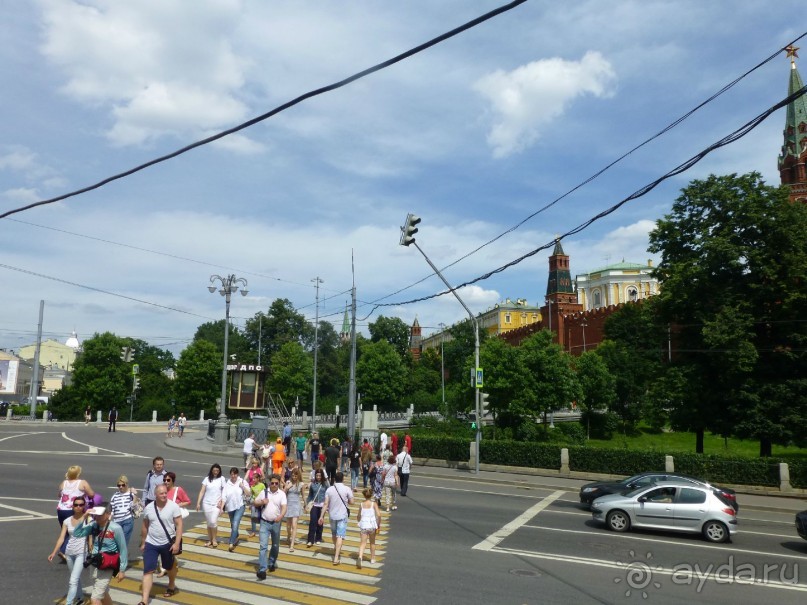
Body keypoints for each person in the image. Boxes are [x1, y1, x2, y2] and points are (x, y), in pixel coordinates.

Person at [73, 502, 128, 605]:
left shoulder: (115, 528)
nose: (97, 517)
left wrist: (122, 570)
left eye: (100, 514)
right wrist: (84, 517)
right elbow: (77, 533)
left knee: (95, 598)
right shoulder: (93, 525)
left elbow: (123, 549)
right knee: (103, 593)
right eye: (95, 514)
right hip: (95, 563)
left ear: (108, 514)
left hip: (107, 565)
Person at [139, 484, 182, 604]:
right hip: (151, 543)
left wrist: (177, 543)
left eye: (165, 493)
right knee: (148, 570)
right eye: (161, 493)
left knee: (169, 567)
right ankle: (144, 600)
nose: (164, 495)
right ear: (155, 495)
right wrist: (143, 542)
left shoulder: (173, 506)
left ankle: (171, 584)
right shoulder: (149, 508)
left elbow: (179, 525)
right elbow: (145, 526)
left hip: (167, 544)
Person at [48, 495, 90, 605]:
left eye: (81, 505)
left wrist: (91, 549)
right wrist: (54, 552)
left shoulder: (88, 519)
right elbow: (61, 538)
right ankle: (80, 597)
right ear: (73, 506)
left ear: (84, 506)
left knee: (73, 580)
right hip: (69, 553)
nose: (78, 507)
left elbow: (90, 536)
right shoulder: (67, 521)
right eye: (76, 505)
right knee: (74, 578)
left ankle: (69, 602)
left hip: (82, 552)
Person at [57, 465, 95, 559]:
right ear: (78, 474)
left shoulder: (64, 483)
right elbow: (91, 494)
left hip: (61, 510)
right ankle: (63, 551)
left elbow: (59, 495)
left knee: (65, 530)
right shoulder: (82, 483)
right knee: (74, 531)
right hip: (73, 510)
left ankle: (66, 550)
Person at [253, 473, 287, 579]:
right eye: (272, 483)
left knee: (275, 545)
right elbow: (254, 502)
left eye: (276, 483)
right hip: (264, 522)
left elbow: (284, 507)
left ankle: (271, 562)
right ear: (270, 483)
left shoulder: (281, 494)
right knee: (263, 546)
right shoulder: (264, 492)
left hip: (276, 523)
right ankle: (262, 570)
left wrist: (281, 516)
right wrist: (262, 502)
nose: (274, 485)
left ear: (278, 484)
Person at [318, 471, 354, 565]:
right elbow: (352, 502)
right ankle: (336, 557)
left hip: (332, 515)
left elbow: (325, 504)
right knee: (340, 536)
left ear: (334, 479)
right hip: (342, 516)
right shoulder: (346, 489)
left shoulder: (329, 489)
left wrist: (321, 516)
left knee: (334, 534)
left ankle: (335, 547)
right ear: (342, 479)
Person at [196, 463, 226, 548]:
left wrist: (222, 502)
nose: (216, 472)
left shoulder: (222, 479)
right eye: (214, 470)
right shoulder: (206, 479)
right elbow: (202, 491)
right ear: (211, 471)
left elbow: (224, 491)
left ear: (219, 471)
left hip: (216, 504)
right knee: (209, 523)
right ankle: (210, 540)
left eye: (217, 470)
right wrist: (198, 503)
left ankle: (214, 539)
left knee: (213, 521)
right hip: (206, 503)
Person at [224, 467, 251, 552]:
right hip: (230, 507)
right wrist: (222, 506)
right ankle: (236, 535)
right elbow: (224, 495)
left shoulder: (242, 481)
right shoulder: (227, 483)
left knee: (235, 523)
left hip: (240, 506)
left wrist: (242, 486)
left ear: (237, 474)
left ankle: (231, 543)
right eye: (232, 474)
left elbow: (249, 493)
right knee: (233, 524)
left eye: (235, 474)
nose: (233, 476)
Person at [110, 475, 140, 546]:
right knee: (116, 541)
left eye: (123, 485)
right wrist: (109, 520)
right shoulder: (115, 496)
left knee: (123, 541)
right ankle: (118, 555)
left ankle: (122, 555)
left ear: (126, 485)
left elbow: (134, 507)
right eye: (119, 485)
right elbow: (112, 509)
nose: (121, 487)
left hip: (127, 520)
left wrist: (135, 494)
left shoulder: (131, 494)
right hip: (117, 521)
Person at [356, 487, 381, 568]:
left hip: (364, 526)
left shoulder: (361, 504)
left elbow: (358, 515)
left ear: (364, 495)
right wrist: (378, 524)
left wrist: (359, 521)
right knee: (372, 543)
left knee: (363, 543)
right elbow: (379, 515)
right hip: (372, 526)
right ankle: (372, 559)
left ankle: (360, 557)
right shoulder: (374, 504)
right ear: (371, 495)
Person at [304, 468, 328, 546]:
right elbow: (310, 495)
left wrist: (327, 505)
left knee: (320, 522)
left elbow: (328, 494)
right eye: (317, 475)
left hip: (322, 505)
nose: (318, 477)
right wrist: (307, 503)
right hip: (314, 505)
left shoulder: (325, 484)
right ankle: (310, 539)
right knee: (312, 522)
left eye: (320, 476)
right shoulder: (313, 484)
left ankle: (318, 538)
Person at [284, 468, 304, 552]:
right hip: (289, 505)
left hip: (296, 505)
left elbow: (303, 495)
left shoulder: (301, 484)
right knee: (288, 526)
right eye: (293, 475)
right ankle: (289, 535)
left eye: (296, 475)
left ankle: (292, 545)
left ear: (298, 475)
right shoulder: (288, 482)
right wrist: (286, 488)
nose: (294, 477)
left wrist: (306, 504)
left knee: (294, 525)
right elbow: (283, 493)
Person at [247, 472, 266, 538]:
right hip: (254, 503)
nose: (253, 480)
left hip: (261, 503)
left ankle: (262, 531)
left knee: (261, 517)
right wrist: (250, 504)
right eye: (253, 479)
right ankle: (253, 531)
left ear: (258, 479)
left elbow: (265, 493)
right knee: (253, 517)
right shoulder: (252, 486)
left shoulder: (262, 485)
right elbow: (251, 496)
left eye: (255, 478)